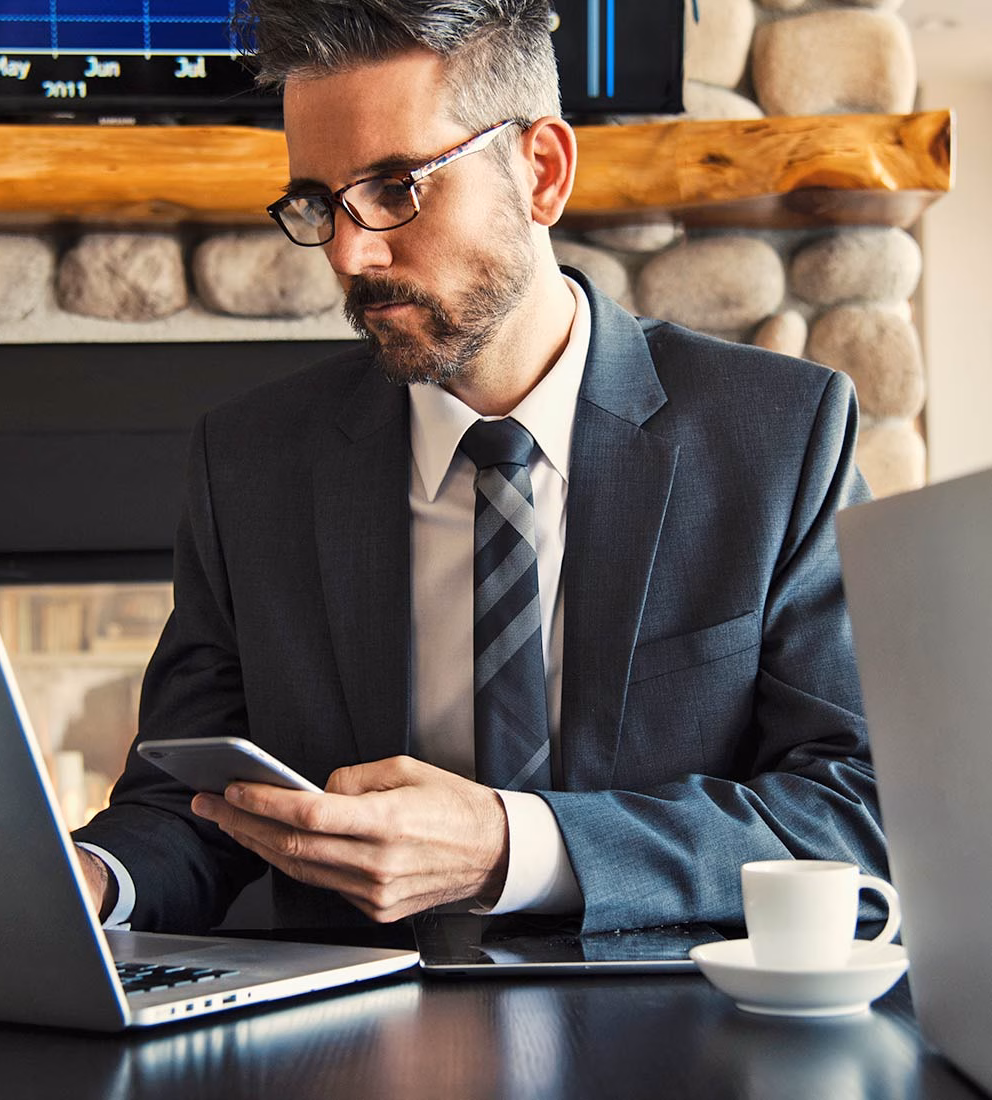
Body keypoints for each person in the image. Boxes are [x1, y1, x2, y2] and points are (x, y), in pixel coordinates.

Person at [74, 0, 885, 935]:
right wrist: (88, 878)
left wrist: (513, 847)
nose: (349, 252)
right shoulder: (249, 464)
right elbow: (191, 804)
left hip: (670, 1032)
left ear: (542, 172)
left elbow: (859, 808)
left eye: (395, 187)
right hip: (348, 1046)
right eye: (317, 202)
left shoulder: (778, 436)